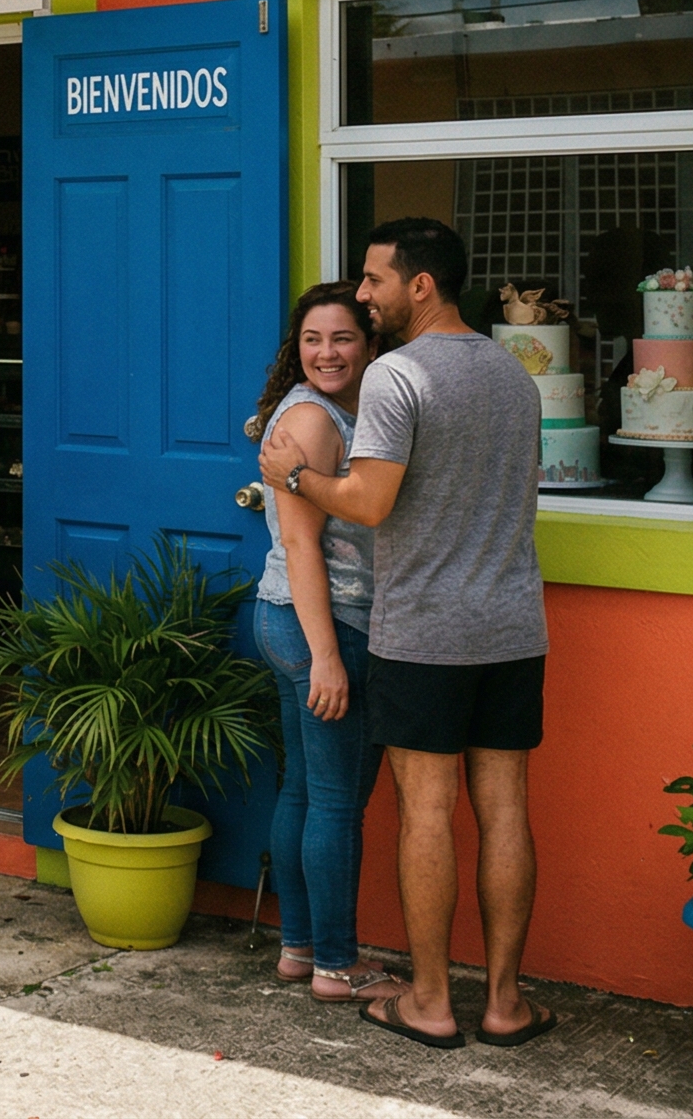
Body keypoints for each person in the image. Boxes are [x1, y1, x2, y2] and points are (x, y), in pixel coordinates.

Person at [259, 217, 553, 1050]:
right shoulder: (513, 371)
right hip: (512, 624)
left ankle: (429, 1001)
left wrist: (296, 475)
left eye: (374, 280)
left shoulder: (397, 374)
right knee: (505, 812)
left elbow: (369, 502)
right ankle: (505, 1004)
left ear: (420, 285)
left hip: (425, 628)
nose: (363, 294)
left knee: (427, 813)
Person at [249, 282, 399, 1004]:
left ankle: (300, 949)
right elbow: (305, 546)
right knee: (337, 802)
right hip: (323, 622)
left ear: (369, 343)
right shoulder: (312, 419)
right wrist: (329, 659)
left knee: (307, 790)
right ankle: (338, 966)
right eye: (313, 339)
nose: (327, 352)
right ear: (296, 346)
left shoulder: (342, 410)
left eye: (342, 338)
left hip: (293, 618)